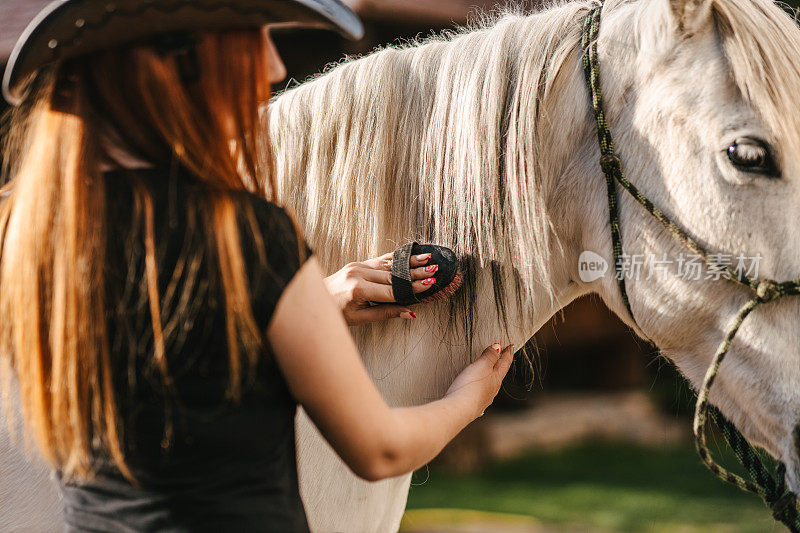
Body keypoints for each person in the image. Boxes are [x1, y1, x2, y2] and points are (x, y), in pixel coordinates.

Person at [0, 1, 515, 531]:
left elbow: (156, 361)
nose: (273, 67)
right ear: (177, 57)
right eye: (252, 39)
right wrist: (466, 401)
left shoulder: (25, 232)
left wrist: (295, 309)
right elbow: (378, 450)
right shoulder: (243, 235)